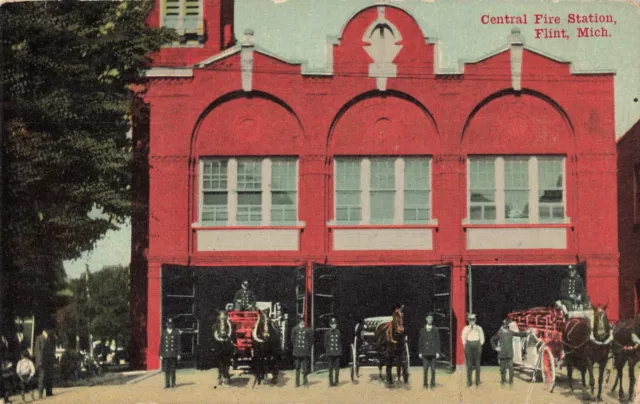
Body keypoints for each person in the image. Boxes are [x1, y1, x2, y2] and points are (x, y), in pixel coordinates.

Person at [490, 317, 531, 387]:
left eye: (506, 325)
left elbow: (519, 334)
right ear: (503, 326)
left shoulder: (510, 332)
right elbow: (492, 340)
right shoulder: (499, 333)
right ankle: (503, 381)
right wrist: (496, 348)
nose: (506, 326)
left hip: (509, 354)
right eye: (505, 325)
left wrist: (527, 333)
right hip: (502, 354)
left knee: (511, 368)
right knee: (502, 369)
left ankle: (511, 382)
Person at [418, 312, 441, 389]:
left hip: (433, 353)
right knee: (425, 369)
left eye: (431, 318)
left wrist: (438, 352)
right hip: (425, 353)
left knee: (433, 369)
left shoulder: (435, 329)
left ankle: (432, 384)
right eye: (428, 318)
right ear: (426, 319)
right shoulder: (422, 330)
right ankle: (425, 384)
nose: (429, 320)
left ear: (432, 319)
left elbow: (438, 341)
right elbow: (420, 342)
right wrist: (420, 352)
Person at [461, 313, 485, 387]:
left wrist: (479, 344)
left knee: (477, 364)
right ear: (468, 320)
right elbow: (463, 337)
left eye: (473, 319)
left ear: (475, 320)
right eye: (470, 320)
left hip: (477, 344)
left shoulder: (479, 328)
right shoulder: (466, 328)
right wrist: (465, 344)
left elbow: (482, 337)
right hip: (469, 345)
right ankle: (469, 381)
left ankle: (477, 380)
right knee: (469, 364)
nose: (472, 321)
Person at [159, 319, 181, 389]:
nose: (170, 325)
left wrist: (179, 354)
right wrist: (160, 354)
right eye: (168, 324)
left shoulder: (176, 332)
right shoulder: (164, 333)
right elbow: (161, 344)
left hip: (173, 354)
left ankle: (173, 383)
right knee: (166, 370)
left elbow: (178, 344)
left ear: (172, 324)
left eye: (171, 324)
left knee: (173, 370)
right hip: (165, 355)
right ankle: (167, 384)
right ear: (166, 324)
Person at [291, 316, 312, 387]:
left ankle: (305, 381)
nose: (302, 322)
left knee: (305, 367)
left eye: (303, 320)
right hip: (297, 351)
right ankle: (297, 382)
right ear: (299, 321)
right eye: (300, 320)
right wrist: (296, 347)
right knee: (297, 367)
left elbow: (311, 340)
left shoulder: (308, 330)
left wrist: (307, 348)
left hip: (305, 351)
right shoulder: (295, 329)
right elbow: (292, 339)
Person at [213, 311, 233, 385]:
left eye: (223, 316)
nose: (222, 317)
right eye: (221, 316)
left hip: (226, 342)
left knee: (227, 361)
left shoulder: (228, 324)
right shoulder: (215, 325)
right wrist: (217, 339)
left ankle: (226, 376)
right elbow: (214, 333)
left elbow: (230, 332)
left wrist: (227, 338)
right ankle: (220, 376)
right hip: (219, 343)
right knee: (219, 361)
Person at [33, 329, 55, 399]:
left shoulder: (49, 338)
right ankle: (40, 393)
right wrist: (39, 361)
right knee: (41, 377)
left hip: (48, 361)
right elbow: (37, 351)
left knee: (49, 376)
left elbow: (51, 350)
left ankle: (49, 392)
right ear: (44, 331)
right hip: (41, 361)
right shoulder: (39, 338)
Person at [323, 317, 342, 387]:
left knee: (337, 368)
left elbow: (340, 343)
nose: (334, 326)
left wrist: (340, 352)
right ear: (330, 325)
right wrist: (327, 352)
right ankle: (331, 382)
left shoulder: (338, 332)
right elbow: (325, 343)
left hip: (337, 352)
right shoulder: (327, 333)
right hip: (330, 353)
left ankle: (336, 381)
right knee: (330, 368)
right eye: (332, 324)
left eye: (335, 324)